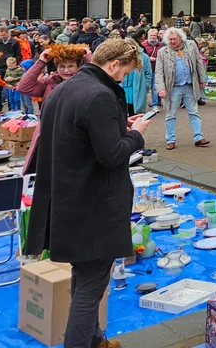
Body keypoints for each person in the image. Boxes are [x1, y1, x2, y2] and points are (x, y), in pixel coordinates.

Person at [25, 38, 153, 348]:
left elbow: (80, 136)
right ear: (113, 65)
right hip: (93, 204)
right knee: (91, 284)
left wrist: (118, 126)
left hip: (66, 200)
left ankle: (96, 340)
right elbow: (111, 155)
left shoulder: (63, 90)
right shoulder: (100, 95)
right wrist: (136, 135)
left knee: (84, 276)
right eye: (124, 73)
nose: (124, 79)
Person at [153, 27, 210, 150]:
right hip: (173, 88)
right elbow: (158, 72)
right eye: (170, 39)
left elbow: (199, 62)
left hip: (190, 85)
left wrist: (203, 79)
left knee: (194, 112)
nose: (172, 41)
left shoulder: (191, 45)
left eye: (175, 39)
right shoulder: (163, 52)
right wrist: (160, 88)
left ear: (181, 38)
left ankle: (199, 137)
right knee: (170, 114)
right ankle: (170, 140)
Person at [121, 41, 154, 116]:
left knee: (136, 114)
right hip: (124, 88)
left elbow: (148, 73)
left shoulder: (144, 57)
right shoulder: (121, 56)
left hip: (138, 88)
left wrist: (146, 86)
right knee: (123, 112)